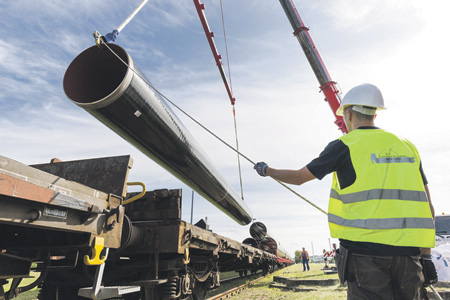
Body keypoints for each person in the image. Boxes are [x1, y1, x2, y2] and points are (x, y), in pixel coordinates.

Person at [254, 83, 437, 300]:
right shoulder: (408, 147)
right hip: (408, 257)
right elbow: (427, 207)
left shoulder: (344, 145)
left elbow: (299, 177)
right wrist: (426, 257)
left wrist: (267, 170)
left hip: (364, 259)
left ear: (348, 114)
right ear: (375, 114)